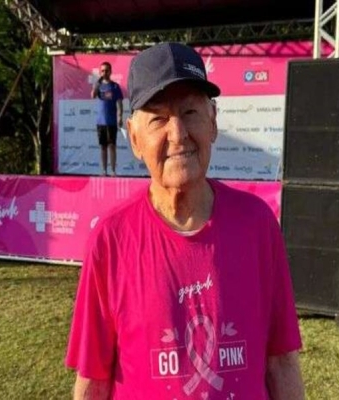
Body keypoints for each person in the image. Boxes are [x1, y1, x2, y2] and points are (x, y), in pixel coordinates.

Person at [66, 42, 304, 399]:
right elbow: (94, 380)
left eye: (190, 111)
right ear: (133, 137)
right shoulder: (111, 239)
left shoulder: (257, 224)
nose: (178, 134)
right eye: (159, 118)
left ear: (213, 123)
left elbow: (281, 361)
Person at [91, 61, 123, 176]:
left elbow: (119, 103)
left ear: (110, 72)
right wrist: (97, 84)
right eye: (102, 71)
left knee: (112, 146)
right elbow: (92, 95)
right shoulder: (98, 85)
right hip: (100, 122)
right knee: (103, 147)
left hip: (111, 121)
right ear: (100, 72)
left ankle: (113, 171)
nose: (104, 73)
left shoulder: (115, 86)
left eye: (106, 70)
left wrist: (119, 116)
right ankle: (104, 171)